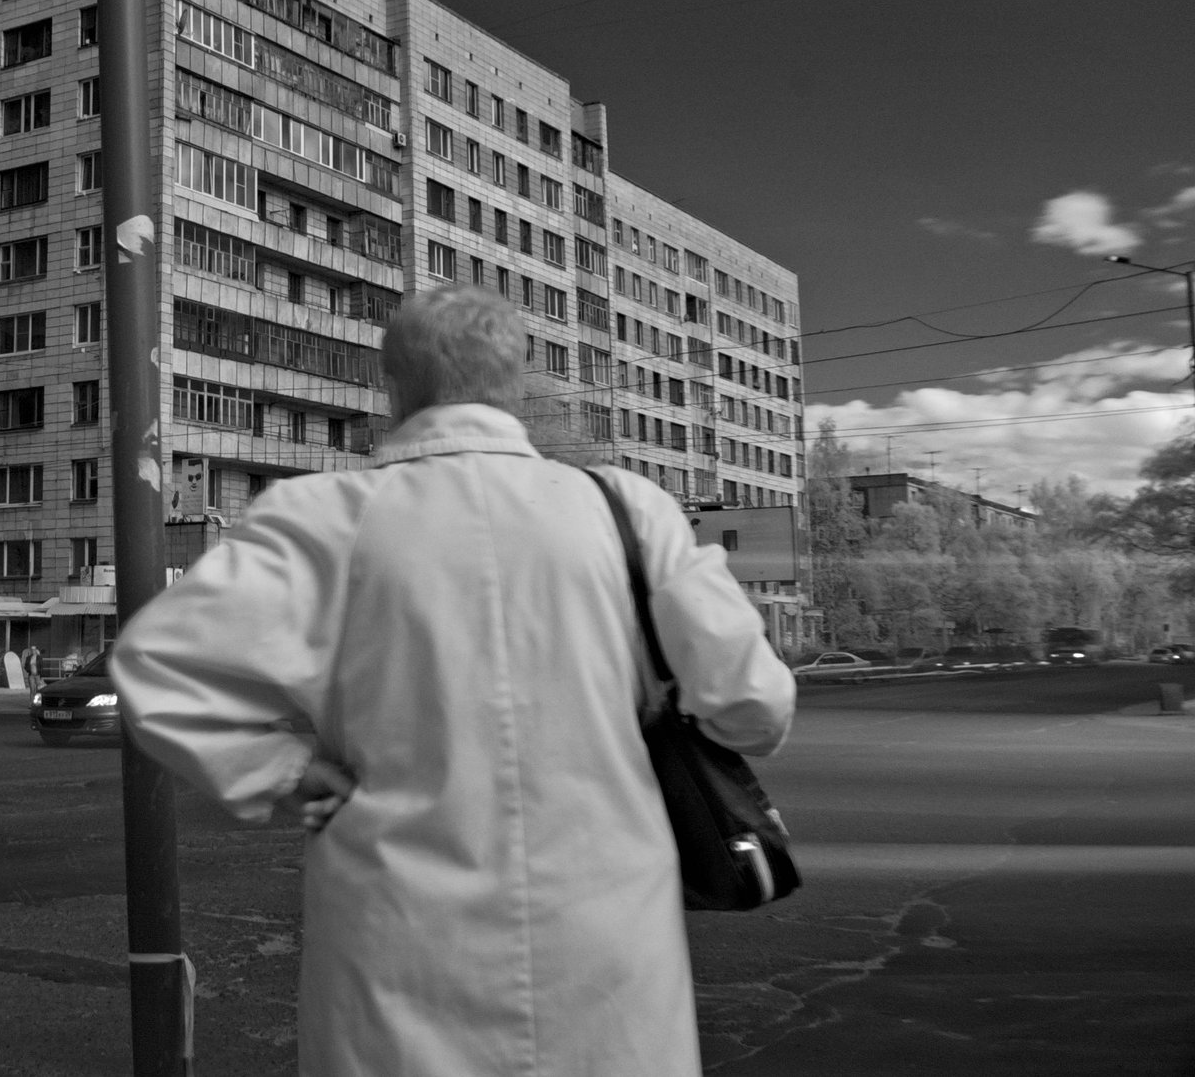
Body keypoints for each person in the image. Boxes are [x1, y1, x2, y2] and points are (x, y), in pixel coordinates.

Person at [112, 284, 795, 1077]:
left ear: (392, 382)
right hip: (605, 932)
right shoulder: (628, 510)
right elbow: (754, 705)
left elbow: (157, 666)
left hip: (398, 934)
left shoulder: (319, 516)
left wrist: (280, 771)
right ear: (521, 377)